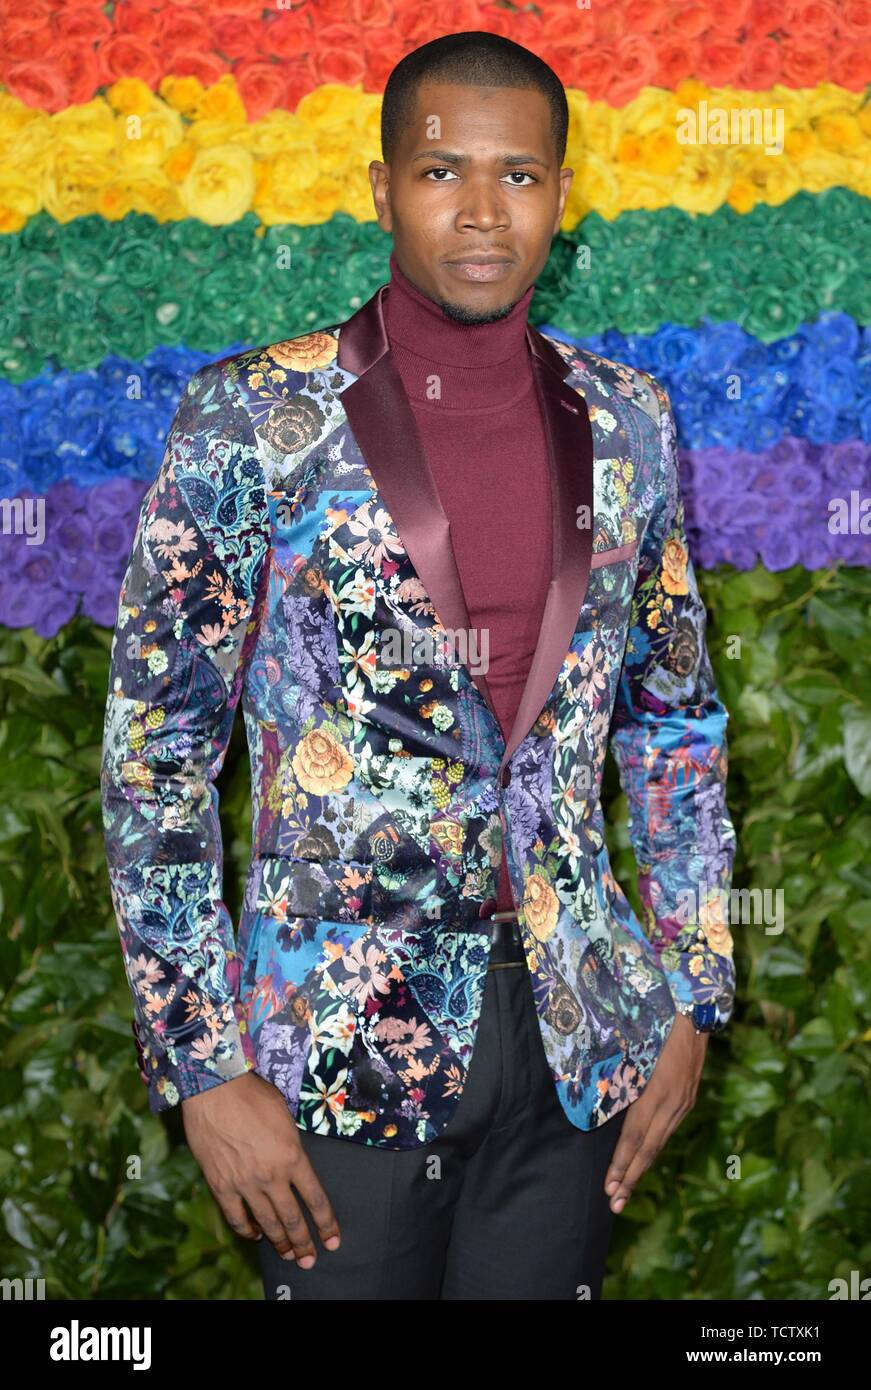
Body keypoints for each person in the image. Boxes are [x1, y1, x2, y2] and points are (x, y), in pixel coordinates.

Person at [100, 31, 737, 1302]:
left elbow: (672, 720)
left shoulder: (630, 418)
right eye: (444, 170)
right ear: (383, 186)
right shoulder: (254, 418)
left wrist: (692, 987)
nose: (483, 212)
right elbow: (156, 754)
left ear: (563, 193)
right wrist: (200, 1064)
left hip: (575, 1041)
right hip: (333, 1053)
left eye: (519, 175)